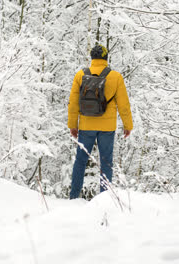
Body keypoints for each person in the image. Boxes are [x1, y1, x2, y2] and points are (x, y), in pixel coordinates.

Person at [67, 44, 133, 199]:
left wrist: (72, 125)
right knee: (106, 163)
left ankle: (74, 197)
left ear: (92, 58)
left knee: (80, 161)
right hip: (107, 127)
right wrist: (128, 125)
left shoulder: (80, 75)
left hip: (86, 125)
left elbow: (73, 103)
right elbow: (124, 105)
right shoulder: (116, 77)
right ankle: (105, 199)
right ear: (106, 58)